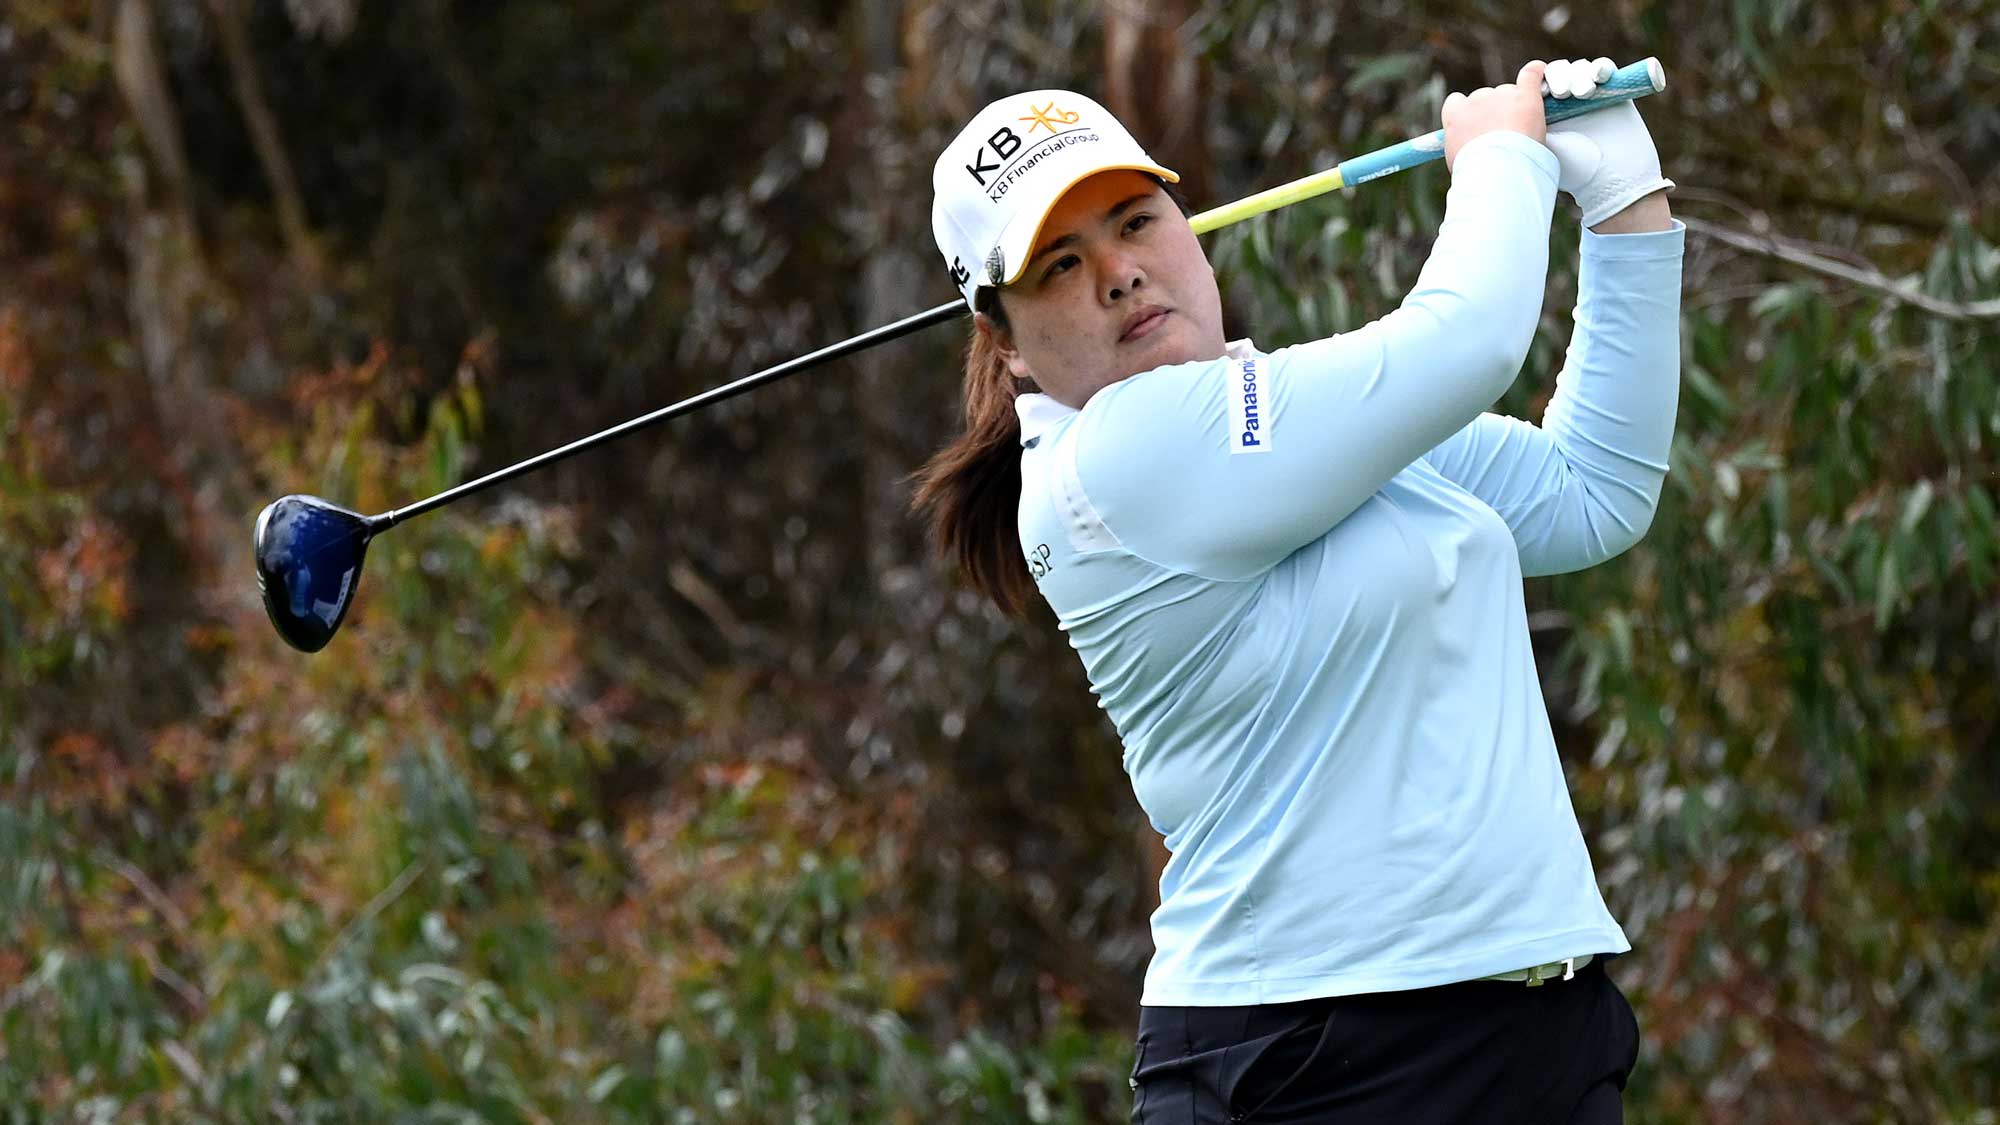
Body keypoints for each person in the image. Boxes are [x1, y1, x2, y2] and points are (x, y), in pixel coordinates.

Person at [913, 56, 1683, 1124]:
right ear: (1003, 345)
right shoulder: (1118, 459)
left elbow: (1588, 492)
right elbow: (1465, 340)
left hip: (1533, 1035)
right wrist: (1497, 152)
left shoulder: (1286, 424)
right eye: (1057, 264)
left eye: (1135, 223)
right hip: (1311, 1062)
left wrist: (1620, 204)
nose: (1118, 274)